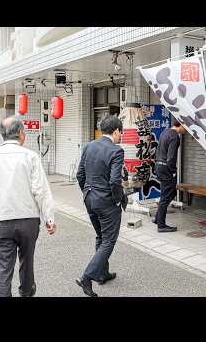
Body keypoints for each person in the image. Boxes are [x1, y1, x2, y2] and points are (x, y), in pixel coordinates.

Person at [0, 117, 56, 297]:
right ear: (21, 133)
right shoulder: (30, 156)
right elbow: (41, 190)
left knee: (3, 271)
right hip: (28, 221)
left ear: (2, 135)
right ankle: (26, 292)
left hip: (0, 220)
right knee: (27, 262)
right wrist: (49, 218)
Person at [76, 115, 127, 297]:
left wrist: (87, 192)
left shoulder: (89, 146)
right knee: (108, 240)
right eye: (121, 132)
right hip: (106, 202)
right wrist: (118, 199)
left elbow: (79, 175)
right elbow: (115, 181)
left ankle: (102, 274)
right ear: (115, 131)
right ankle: (87, 277)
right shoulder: (116, 151)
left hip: (89, 198)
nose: (121, 136)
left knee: (100, 236)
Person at [152, 120, 186, 233]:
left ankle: (158, 218)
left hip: (158, 166)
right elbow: (171, 157)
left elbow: (158, 150)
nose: (186, 130)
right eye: (185, 127)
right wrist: (173, 171)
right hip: (166, 168)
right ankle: (161, 225)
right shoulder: (175, 136)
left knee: (168, 193)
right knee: (166, 195)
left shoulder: (164, 132)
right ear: (180, 125)